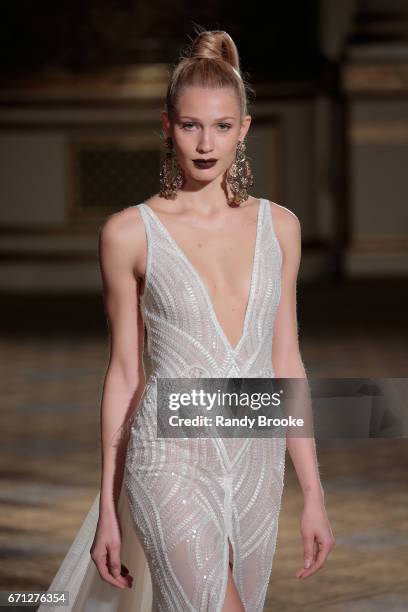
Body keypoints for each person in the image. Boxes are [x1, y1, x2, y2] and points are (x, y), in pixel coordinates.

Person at [39, 27, 335, 612]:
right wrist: (108, 509)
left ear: (244, 130)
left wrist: (315, 493)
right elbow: (125, 371)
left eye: (222, 126)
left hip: (254, 453)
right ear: (167, 124)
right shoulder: (128, 234)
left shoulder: (281, 228)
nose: (206, 143)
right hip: (167, 455)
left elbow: (284, 362)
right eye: (190, 125)